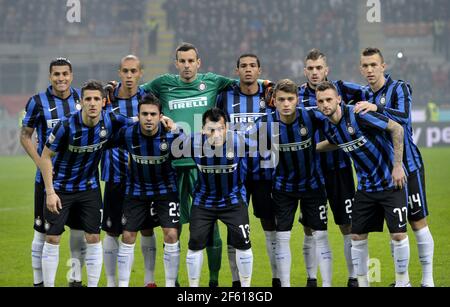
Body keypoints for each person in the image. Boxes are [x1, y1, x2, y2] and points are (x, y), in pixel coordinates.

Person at [138, 43, 238, 286]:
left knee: (211, 226)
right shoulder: (162, 84)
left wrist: (267, 85)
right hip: (171, 167)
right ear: (176, 63)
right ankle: (174, 282)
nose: (186, 65)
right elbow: (134, 92)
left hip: (203, 168)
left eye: (190, 61)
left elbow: (245, 82)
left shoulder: (212, 81)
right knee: (172, 228)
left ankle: (213, 281)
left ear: (198, 62)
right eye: (182, 61)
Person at [315, 81, 411, 287]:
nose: (325, 104)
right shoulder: (330, 127)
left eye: (329, 99)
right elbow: (334, 142)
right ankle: (362, 283)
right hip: (366, 189)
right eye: (321, 101)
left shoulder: (359, 114)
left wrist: (397, 166)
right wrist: (310, 148)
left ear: (338, 99)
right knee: (356, 236)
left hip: (390, 183)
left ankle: (404, 283)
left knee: (398, 234)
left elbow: (396, 128)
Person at [354, 47, 435, 287]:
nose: (369, 70)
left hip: (408, 166)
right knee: (396, 228)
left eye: (373, 65)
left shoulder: (399, 87)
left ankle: (428, 281)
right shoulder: (364, 94)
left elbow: (404, 116)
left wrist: (376, 107)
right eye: (365, 66)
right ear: (361, 68)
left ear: (383, 65)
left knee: (417, 221)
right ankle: (404, 281)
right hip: (383, 174)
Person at [38, 80, 130, 287]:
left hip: (89, 188)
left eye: (97, 99)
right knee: (52, 238)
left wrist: (163, 120)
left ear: (103, 102)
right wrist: (50, 192)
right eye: (87, 99)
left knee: (93, 238)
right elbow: (45, 156)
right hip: (61, 188)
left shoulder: (110, 119)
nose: (92, 103)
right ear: (80, 102)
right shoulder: (66, 125)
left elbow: (137, 123)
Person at [254, 79, 332, 287]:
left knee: (320, 235)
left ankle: (322, 283)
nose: (286, 103)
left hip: (313, 186)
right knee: (282, 237)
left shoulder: (311, 115)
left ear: (297, 100)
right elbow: (249, 148)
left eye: (290, 99)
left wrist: (316, 147)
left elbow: (337, 126)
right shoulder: (264, 123)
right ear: (274, 101)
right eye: (281, 100)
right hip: (283, 188)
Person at [298, 49, 365, 287]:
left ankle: (353, 277)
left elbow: (370, 94)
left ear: (326, 69)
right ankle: (312, 278)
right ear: (304, 70)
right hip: (310, 173)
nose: (315, 73)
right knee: (310, 226)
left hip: (340, 169)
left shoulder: (342, 89)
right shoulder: (296, 96)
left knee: (346, 224)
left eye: (319, 68)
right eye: (310, 68)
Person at [20, 57, 86, 287]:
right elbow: (25, 135)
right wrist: (40, 162)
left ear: (71, 76)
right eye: (56, 74)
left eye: (65, 74)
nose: (61, 78)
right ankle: (39, 283)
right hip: (47, 181)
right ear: (50, 77)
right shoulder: (37, 102)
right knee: (42, 234)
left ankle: (75, 281)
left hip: (79, 181)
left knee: (78, 234)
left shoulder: (82, 98)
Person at [216, 54, 279, 287]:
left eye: (253, 66)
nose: (248, 70)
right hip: (235, 173)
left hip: (265, 172)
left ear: (260, 71)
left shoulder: (270, 94)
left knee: (269, 224)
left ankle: (277, 278)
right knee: (236, 228)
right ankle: (236, 282)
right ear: (237, 70)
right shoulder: (225, 96)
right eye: (244, 66)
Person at [100, 55, 157, 288]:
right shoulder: (108, 99)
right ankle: (112, 282)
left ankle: (149, 281)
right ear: (119, 72)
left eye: (134, 71)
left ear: (140, 73)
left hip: (144, 178)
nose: (129, 75)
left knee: (146, 228)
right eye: (125, 71)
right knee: (112, 231)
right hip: (115, 173)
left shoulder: (149, 98)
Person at [113, 94, 181, 287]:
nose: (149, 118)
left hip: (165, 190)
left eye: (153, 114)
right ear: (138, 115)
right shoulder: (128, 133)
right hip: (136, 191)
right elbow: (105, 141)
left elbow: (193, 149)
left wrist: (176, 129)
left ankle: (169, 284)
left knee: (171, 234)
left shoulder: (171, 135)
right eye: (144, 114)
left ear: (161, 116)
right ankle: (123, 285)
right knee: (127, 236)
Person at [183, 108, 253, 287]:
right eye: (211, 129)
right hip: (204, 201)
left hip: (233, 199)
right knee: (195, 243)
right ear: (203, 129)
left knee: (243, 244)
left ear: (227, 127)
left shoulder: (241, 142)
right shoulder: (192, 142)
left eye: (220, 128)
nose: (216, 134)